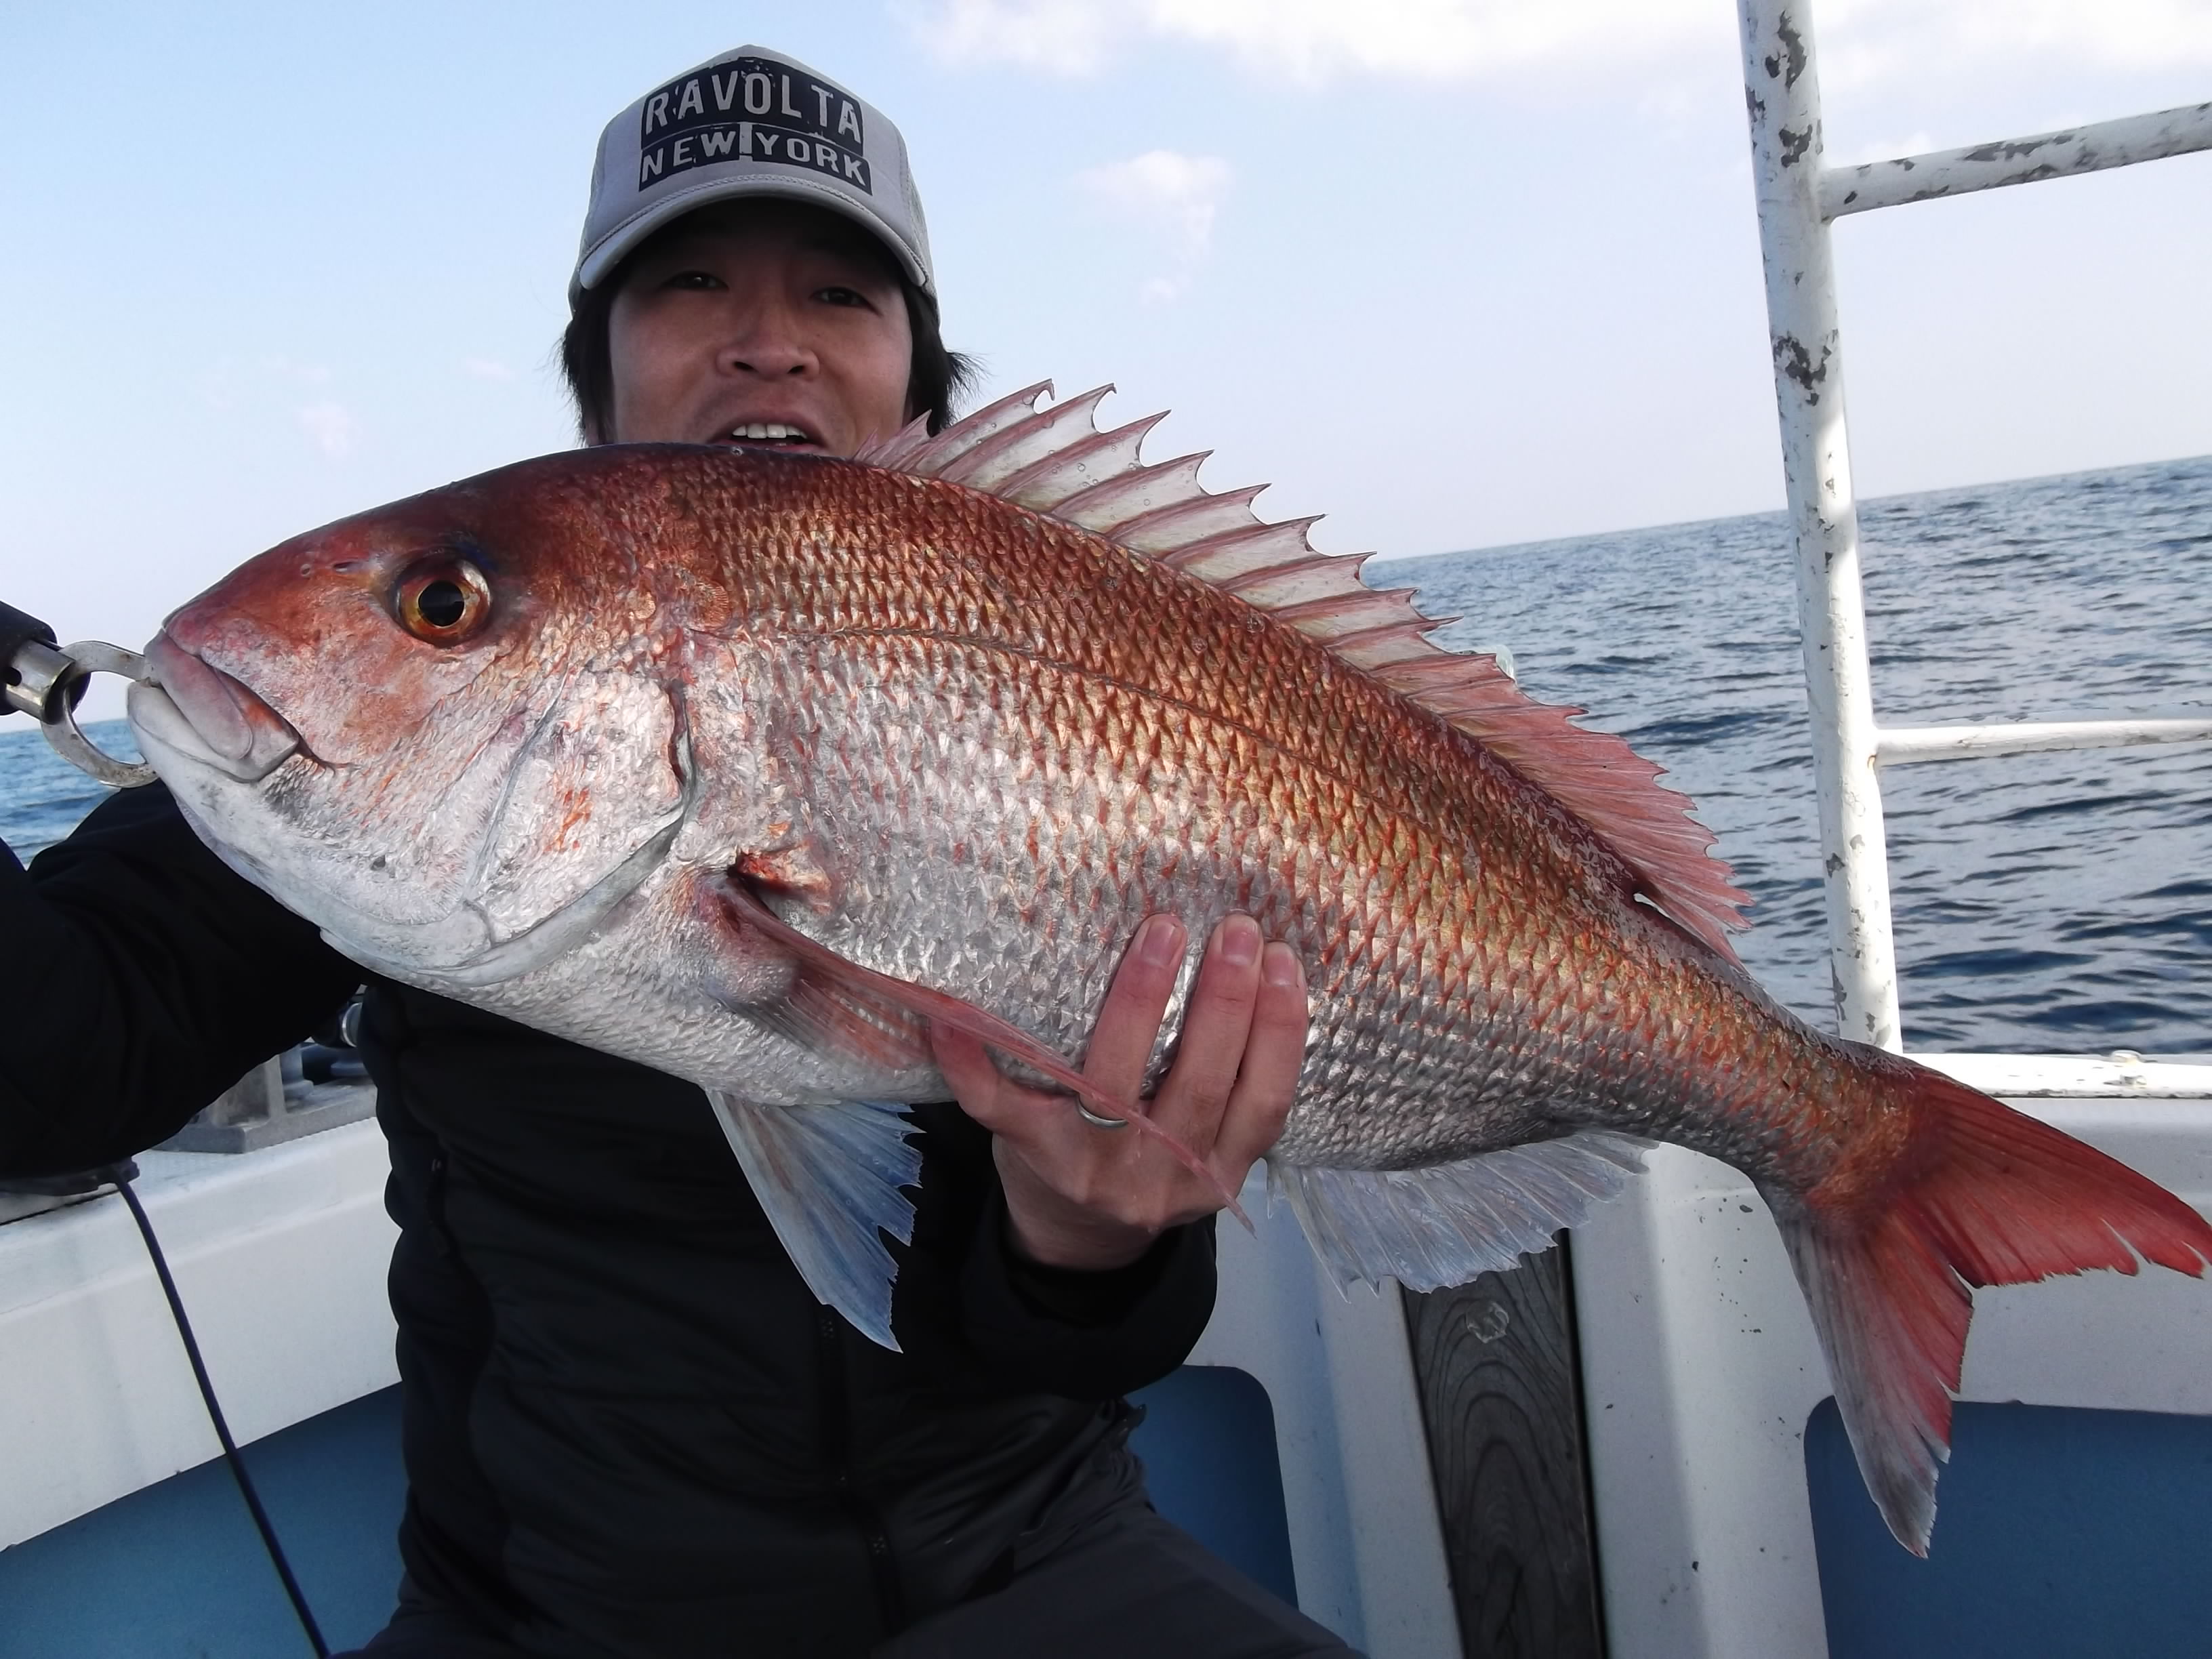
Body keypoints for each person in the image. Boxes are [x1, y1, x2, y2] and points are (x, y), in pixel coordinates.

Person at [0, 44, 1357, 1659]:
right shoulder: (376, 773)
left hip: (1033, 1563)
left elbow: (1065, 1347)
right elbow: (47, 1065)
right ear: (601, 388)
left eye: (843, 296)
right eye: (690, 282)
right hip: (550, 1617)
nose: (767, 341)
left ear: (923, 382)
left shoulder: (1098, 688)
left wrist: (1090, 1244)